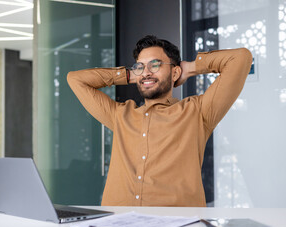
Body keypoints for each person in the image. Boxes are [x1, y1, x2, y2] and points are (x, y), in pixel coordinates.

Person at [67, 35, 252, 207]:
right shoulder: (120, 115)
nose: (146, 72)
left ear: (174, 73)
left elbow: (240, 58)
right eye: (140, 66)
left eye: (155, 65)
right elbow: (75, 79)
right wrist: (132, 75)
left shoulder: (198, 112)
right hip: (117, 225)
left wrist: (190, 68)